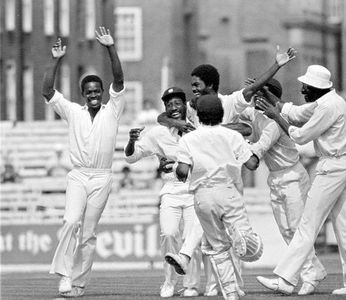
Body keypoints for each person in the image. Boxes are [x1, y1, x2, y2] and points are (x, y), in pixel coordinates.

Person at [255, 65, 346, 295]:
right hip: (341, 164)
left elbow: (300, 135)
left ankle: (286, 279)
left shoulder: (327, 107)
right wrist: (268, 95)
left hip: (332, 167)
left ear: (317, 88)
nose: (303, 89)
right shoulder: (327, 101)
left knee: (307, 225)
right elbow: (295, 113)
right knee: (344, 227)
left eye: (306, 86)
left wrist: (276, 116)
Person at [41, 27, 125, 297]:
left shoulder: (112, 109)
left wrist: (110, 48)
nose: (93, 94)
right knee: (70, 221)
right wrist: (55, 60)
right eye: (88, 91)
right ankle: (64, 276)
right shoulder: (73, 111)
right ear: (83, 93)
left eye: (97, 90)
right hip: (78, 175)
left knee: (88, 234)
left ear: (103, 91)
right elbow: (47, 90)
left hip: (102, 176)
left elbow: (120, 79)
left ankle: (78, 283)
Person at [238, 79, 326, 295]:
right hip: (275, 178)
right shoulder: (255, 114)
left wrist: (238, 145)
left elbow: (260, 147)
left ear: (270, 98)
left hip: (293, 176)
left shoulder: (277, 121)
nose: (256, 99)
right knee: (287, 231)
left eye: (261, 95)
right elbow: (237, 115)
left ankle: (303, 276)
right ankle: (314, 270)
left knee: (297, 229)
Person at [175, 95, 263, 300]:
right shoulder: (232, 136)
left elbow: (182, 171)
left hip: (202, 197)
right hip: (228, 190)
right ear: (221, 114)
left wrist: (181, 171)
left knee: (218, 248)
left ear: (199, 115)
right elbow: (251, 164)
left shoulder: (188, 138)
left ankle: (230, 293)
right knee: (245, 237)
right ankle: (241, 236)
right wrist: (255, 152)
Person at [124, 87, 204, 298]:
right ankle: (169, 282)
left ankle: (191, 285)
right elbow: (132, 157)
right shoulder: (158, 133)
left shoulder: (197, 127)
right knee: (168, 234)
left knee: (190, 238)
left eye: (177, 103)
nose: (173, 108)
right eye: (169, 105)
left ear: (185, 105)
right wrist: (132, 141)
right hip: (170, 189)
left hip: (194, 189)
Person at [158, 46, 297, 136]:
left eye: (197, 85)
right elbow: (162, 117)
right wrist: (177, 123)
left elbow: (252, 89)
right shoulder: (192, 106)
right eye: (192, 85)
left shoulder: (229, 102)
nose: (193, 89)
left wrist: (276, 65)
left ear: (210, 84)